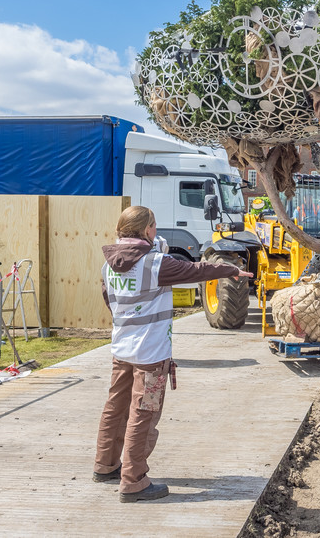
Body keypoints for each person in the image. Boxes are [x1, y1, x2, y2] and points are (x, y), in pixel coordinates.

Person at [93, 205, 253, 503]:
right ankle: (134, 481)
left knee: (114, 407)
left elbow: (109, 300)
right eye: (154, 226)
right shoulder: (156, 264)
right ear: (147, 230)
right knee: (144, 413)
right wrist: (232, 269)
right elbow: (197, 270)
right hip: (151, 357)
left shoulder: (108, 265)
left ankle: (105, 465)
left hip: (122, 351)